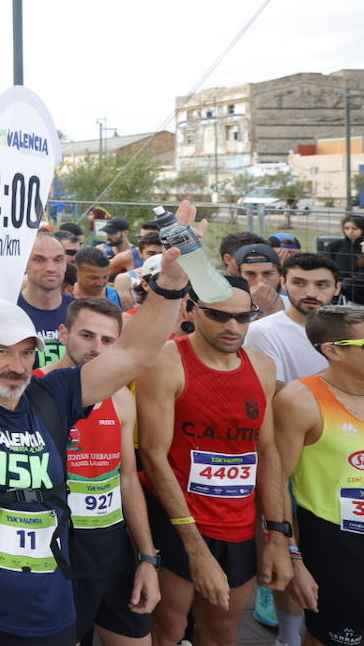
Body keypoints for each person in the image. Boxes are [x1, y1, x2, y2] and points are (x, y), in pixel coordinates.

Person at [0, 191, 196, 645]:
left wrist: (172, 283)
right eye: (2, 351)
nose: (17, 365)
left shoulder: (56, 394)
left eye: (27, 352)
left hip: (48, 608)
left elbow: (135, 351)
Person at [136, 275, 292, 646]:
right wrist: (194, 547)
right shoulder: (165, 363)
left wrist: (278, 537)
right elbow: (154, 457)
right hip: (176, 518)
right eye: (219, 316)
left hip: (237, 523)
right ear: (191, 310)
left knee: (222, 631)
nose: (233, 327)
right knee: (169, 631)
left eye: (243, 318)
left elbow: (267, 452)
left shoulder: (262, 366)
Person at [274, 304, 364, 646]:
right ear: (333, 351)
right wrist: (291, 556)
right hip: (335, 550)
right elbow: (275, 482)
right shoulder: (299, 399)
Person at [38, 298, 159, 646]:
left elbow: (127, 478)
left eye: (108, 341)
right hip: (56, 552)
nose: (96, 348)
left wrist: (147, 557)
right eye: (86, 336)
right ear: (63, 333)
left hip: (109, 548)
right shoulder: (34, 391)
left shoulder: (121, 398)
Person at [243, 253, 341, 385]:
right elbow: (272, 394)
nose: (311, 293)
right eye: (299, 283)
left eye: (321, 285)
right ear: (283, 283)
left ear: (337, 288)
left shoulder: (353, 330)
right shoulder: (262, 332)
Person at [18, 233, 75, 367]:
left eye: (58, 259)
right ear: (25, 264)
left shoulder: (81, 311)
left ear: (66, 264)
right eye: (39, 260)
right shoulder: (9, 311)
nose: (50, 268)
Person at [234, 243, 285, 317]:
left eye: (268, 274)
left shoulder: (295, 305)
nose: (260, 283)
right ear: (239, 276)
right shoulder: (227, 307)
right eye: (250, 274)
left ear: (280, 275)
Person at [326, 214, 364, 284]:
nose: (350, 232)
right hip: (337, 285)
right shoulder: (335, 246)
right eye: (346, 228)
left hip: (361, 286)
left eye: (354, 229)